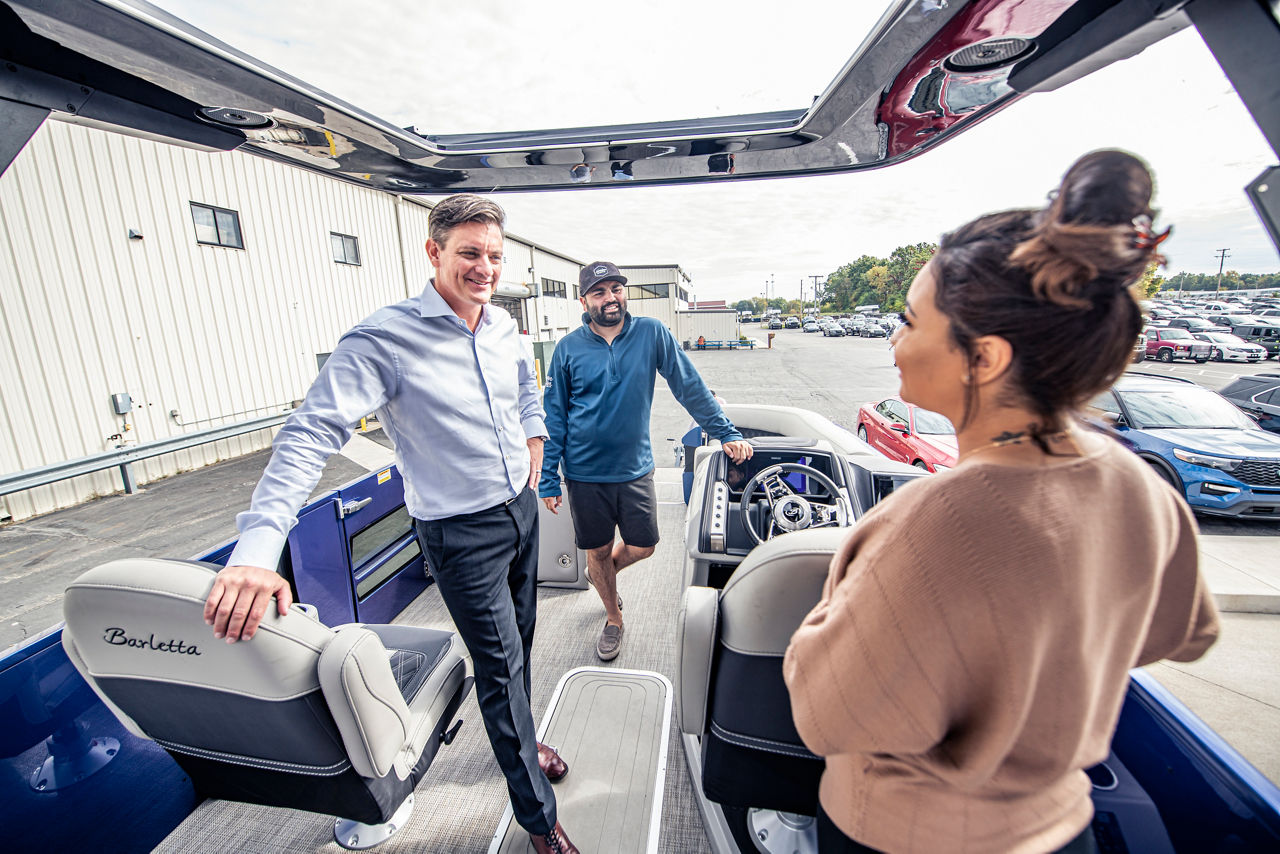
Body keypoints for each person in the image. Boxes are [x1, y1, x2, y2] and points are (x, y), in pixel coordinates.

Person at [783, 151, 1219, 854]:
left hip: (908, 836)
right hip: (1064, 827)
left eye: (909, 320)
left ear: (983, 358)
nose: (894, 339)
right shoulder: (1135, 482)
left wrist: (828, 612)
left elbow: (827, 716)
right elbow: (1182, 632)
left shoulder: (935, 521)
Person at [202, 194, 579, 854]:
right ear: (434, 252)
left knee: (520, 642)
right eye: (469, 253)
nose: (484, 268)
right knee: (498, 667)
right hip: (459, 534)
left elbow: (527, 392)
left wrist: (535, 442)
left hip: (517, 512)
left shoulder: (503, 329)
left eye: (494, 256)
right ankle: (539, 822)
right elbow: (310, 433)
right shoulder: (383, 340)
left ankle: (520, 739)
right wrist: (257, 549)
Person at [539, 261, 753, 660]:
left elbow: (688, 386)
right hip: (583, 473)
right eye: (599, 292)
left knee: (643, 546)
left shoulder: (651, 333)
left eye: (616, 289)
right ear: (584, 301)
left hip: (634, 468)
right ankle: (613, 616)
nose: (610, 298)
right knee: (597, 550)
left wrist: (726, 432)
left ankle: (602, 575)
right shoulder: (568, 348)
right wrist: (548, 476)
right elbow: (555, 416)